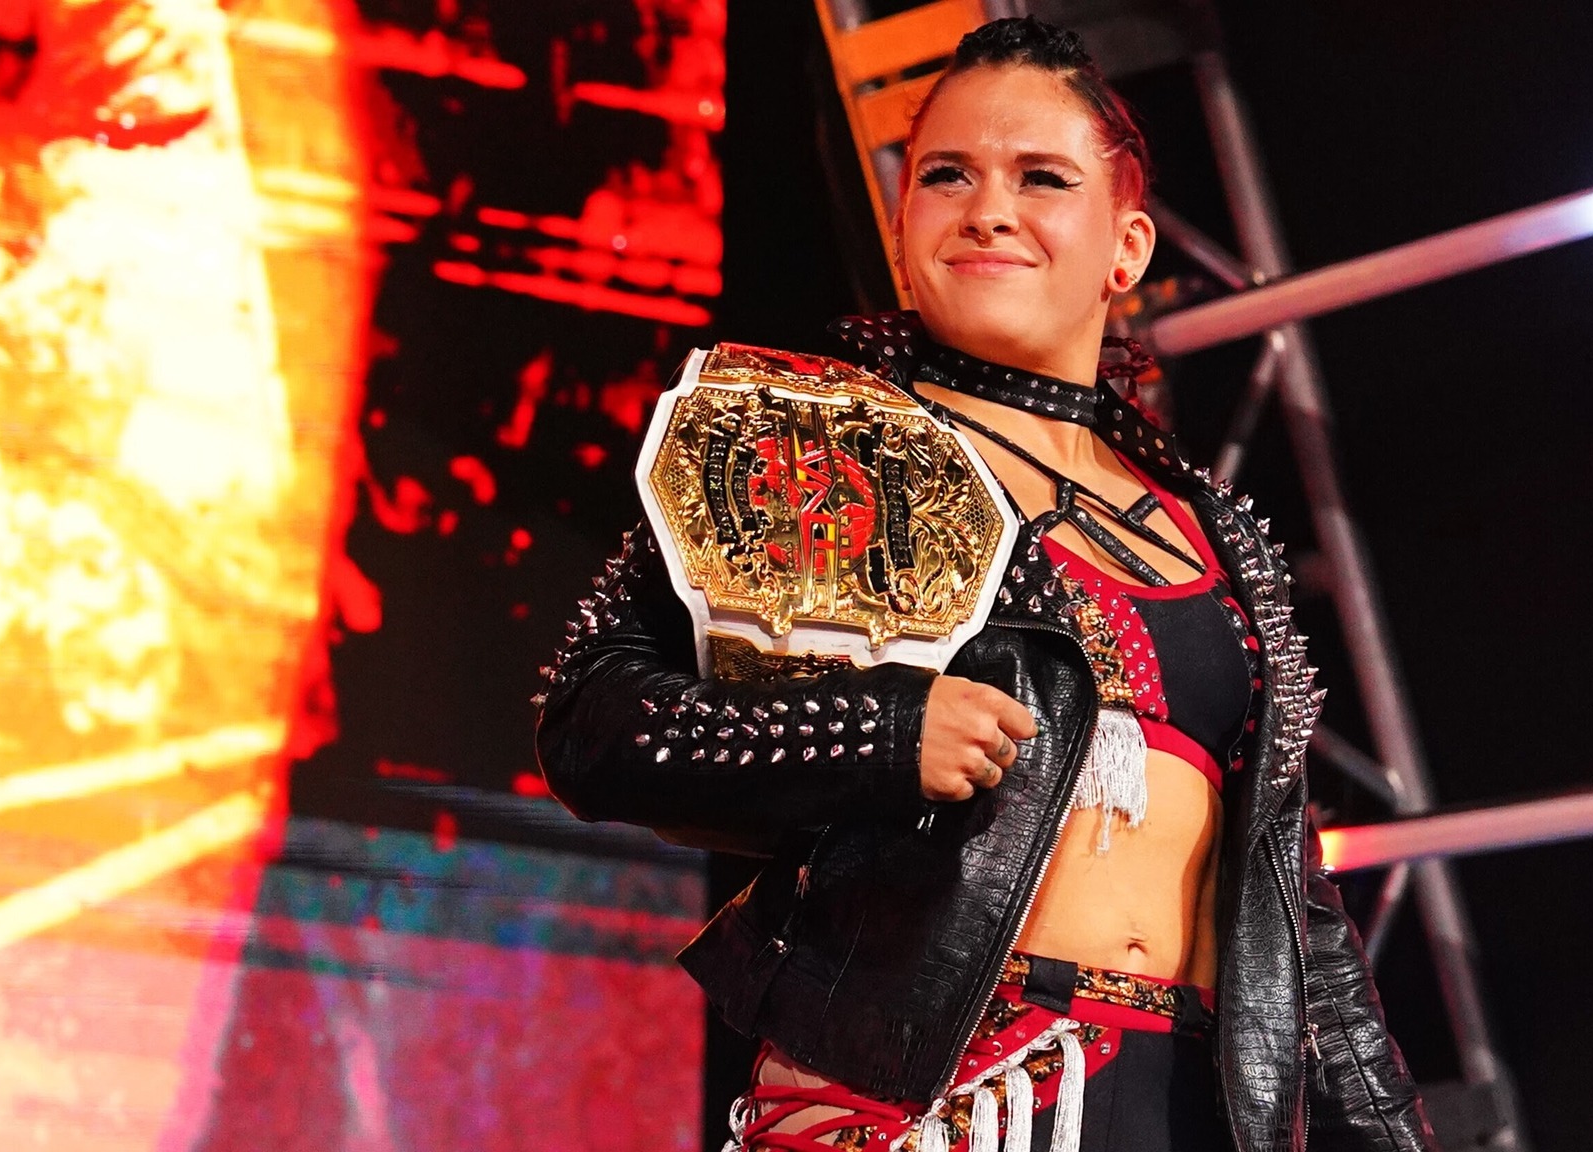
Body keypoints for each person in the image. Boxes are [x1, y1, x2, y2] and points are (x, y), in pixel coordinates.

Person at [535, 17, 1436, 1152]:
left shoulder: (1216, 532)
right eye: (946, 175)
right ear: (903, 222)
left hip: (1186, 1109)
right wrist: (876, 732)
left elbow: (1295, 913)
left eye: (1040, 178)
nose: (987, 209)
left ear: (1126, 247)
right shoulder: (813, 444)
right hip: (933, 1109)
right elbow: (593, 722)